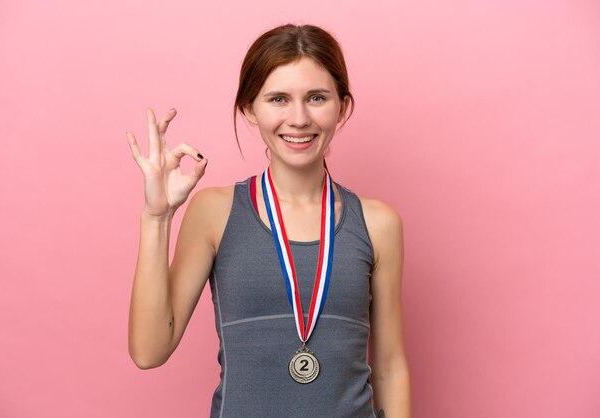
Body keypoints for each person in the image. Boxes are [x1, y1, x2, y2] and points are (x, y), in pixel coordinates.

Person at [126, 23, 411, 418]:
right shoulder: (215, 213)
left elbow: (390, 367)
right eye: (278, 98)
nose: (298, 118)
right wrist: (157, 217)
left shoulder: (378, 223)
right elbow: (148, 350)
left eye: (317, 97)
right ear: (249, 108)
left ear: (342, 106)